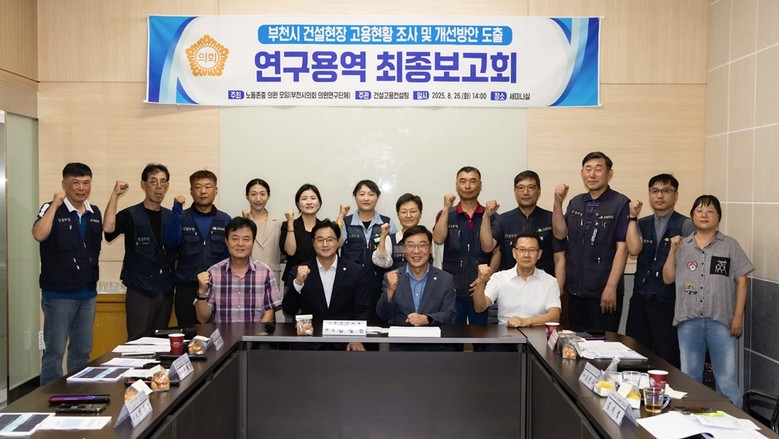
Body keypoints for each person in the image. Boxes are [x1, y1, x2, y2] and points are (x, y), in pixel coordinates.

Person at [663, 195, 753, 407]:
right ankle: (692, 420)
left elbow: (742, 281)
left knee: (727, 381)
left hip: (721, 321)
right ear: (692, 215)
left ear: (718, 217)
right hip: (688, 321)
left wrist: (738, 316)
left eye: (710, 211)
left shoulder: (730, 246)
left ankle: (733, 423)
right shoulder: (682, 245)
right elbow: (667, 278)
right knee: (690, 378)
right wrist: (672, 251)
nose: (704, 215)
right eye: (699, 211)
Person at [33, 163, 102, 386]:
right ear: (64, 184)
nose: (81, 188)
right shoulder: (50, 208)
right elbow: (39, 234)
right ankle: (47, 398)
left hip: (87, 294)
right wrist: (55, 205)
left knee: (82, 351)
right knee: (54, 353)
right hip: (59, 295)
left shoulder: (94, 212)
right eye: (76, 183)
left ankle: (78, 394)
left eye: (86, 183)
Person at [552, 151, 630, 332]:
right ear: (582, 173)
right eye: (588, 169)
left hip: (603, 292)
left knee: (603, 343)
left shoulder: (620, 203)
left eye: (598, 169)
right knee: (577, 342)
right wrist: (557, 202)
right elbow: (560, 233)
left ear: (609, 174)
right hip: (575, 290)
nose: (592, 174)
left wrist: (611, 287)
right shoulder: (576, 202)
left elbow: (623, 249)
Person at [625, 173, 694, 368]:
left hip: (668, 301)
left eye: (666, 191)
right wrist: (632, 217)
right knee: (636, 353)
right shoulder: (641, 223)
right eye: (654, 191)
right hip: (640, 297)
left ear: (676, 195)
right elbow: (633, 249)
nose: (660, 195)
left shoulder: (686, 224)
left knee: (667, 356)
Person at [104, 164, 174, 339]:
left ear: (167, 186)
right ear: (143, 184)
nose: (158, 187)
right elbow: (108, 229)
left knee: (161, 343)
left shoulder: (171, 217)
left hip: (165, 291)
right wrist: (115, 195)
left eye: (163, 182)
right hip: (140, 291)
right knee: (138, 343)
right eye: (153, 181)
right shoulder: (130, 215)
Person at [282, 219, 370, 351]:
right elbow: (289, 310)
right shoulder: (298, 271)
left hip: (345, 343)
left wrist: (357, 338)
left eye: (330, 239)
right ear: (313, 243)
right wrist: (298, 282)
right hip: (309, 343)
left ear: (338, 241)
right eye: (320, 240)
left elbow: (362, 310)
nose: (325, 244)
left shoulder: (355, 272)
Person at [162, 170, 231, 327]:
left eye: (208, 187)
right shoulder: (181, 217)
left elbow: (232, 255)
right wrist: (176, 211)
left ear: (215, 190)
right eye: (198, 187)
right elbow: (170, 242)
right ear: (191, 191)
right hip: (187, 287)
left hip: (217, 288)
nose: (203, 191)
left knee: (219, 333)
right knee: (188, 333)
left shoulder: (225, 219)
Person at [480, 170, 565, 291]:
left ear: (539, 191)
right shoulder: (503, 220)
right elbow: (487, 247)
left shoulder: (551, 218)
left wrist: (558, 291)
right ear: (515, 191)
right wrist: (486, 216)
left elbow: (559, 257)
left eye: (531, 187)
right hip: (509, 287)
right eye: (521, 188)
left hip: (543, 287)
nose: (526, 192)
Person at [377, 225, 456, 350]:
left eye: (422, 245)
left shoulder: (445, 279)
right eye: (411, 245)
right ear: (404, 249)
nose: (416, 251)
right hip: (400, 348)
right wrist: (390, 291)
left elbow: (450, 315)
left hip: (436, 348)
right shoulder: (392, 277)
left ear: (430, 248)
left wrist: (427, 319)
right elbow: (383, 314)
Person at [432, 166, 492, 325]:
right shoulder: (446, 214)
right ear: (456, 185)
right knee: (453, 335)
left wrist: (484, 279)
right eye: (463, 181)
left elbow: (492, 249)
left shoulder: (490, 215)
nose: (468, 186)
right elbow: (438, 239)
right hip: (452, 288)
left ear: (480, 185)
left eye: (473, 181)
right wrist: (446, 208)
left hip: (481, 288)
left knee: (481, 335)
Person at [195, 217, 281, 323]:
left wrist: (257, 333)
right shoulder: (213, 273)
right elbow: (202, 318)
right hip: (223, 333)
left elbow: (269, 314)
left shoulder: (265, 272)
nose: (240, 244)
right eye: (235, 239)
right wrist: (202, 291)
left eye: (246, 239)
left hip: (255, 333)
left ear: (253, 242)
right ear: (226, 241)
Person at [473, 233, 561, 327]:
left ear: (539, 254)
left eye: (531, 250)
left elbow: (555, 316)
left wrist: (526, 321)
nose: (526, 255)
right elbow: (479, 308)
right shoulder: (499, 278)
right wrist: (480, 281)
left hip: (537, 333)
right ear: (514, 253)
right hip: (505, 333)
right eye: (522, 250)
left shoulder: (550, 282)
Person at [340, 179, 396, 324]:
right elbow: (336, 244)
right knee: (353, 325)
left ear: (377, 197)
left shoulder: (387, 223)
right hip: (350, 286)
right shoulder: (346, 222)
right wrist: (340, 216)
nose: (366, 198)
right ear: (355, 196)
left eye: (371, 194)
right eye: (362, 194)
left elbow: (394, 253)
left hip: (379, 286)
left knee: (379, 327)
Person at [242, 178, 282, 285]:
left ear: (268, 196)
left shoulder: (277, 223)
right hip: (246, 275)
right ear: (247, 196)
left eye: (262, 194)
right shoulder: (240, 223)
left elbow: (284, 253)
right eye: (253, 194)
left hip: (272, 276)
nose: (258, 199)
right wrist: (244, 222)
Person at [372, 193, 423, 270]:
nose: (408, 216)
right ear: (398, 215)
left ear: (420, 214)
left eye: (413, 211)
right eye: (404, 212)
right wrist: (383, 237)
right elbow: (382, 262)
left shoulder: (427, 238)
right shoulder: (391, 239)